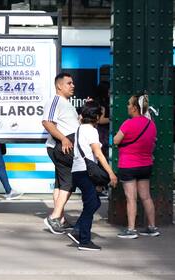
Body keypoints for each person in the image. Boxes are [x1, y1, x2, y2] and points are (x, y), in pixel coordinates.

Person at [66, 101, 117, 250]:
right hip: (85, 171)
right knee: (90, 204)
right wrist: (111, 173)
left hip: (78, 171)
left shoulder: (79, 129)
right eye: (101, 114)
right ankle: (84, 241)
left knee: (94, 202)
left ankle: (77, 231)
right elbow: (98, 153)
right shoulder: (91, 130)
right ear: (95, 116)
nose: (102, 117)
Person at [114, 94, 159, 239]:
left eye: (129, 104)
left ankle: (131, 230)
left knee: (131, 198)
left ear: (134, 108)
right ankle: (152, 227)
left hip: (128, 165)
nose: (127, 106)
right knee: (146, 197)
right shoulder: (151, 124)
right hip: (146, 165)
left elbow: (116, 140)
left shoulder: (128, 123)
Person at [42, 72, 79, 234]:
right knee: (68, 183)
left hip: (64, 147)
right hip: (61, 147)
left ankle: (60, 219)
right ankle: (54, 217)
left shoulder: (65, 103)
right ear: (59, 85)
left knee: (60, 183)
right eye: (69, 83)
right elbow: (47, 122)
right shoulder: (55, 100)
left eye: (72, 83)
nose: (73, 86)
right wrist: (64, 139)